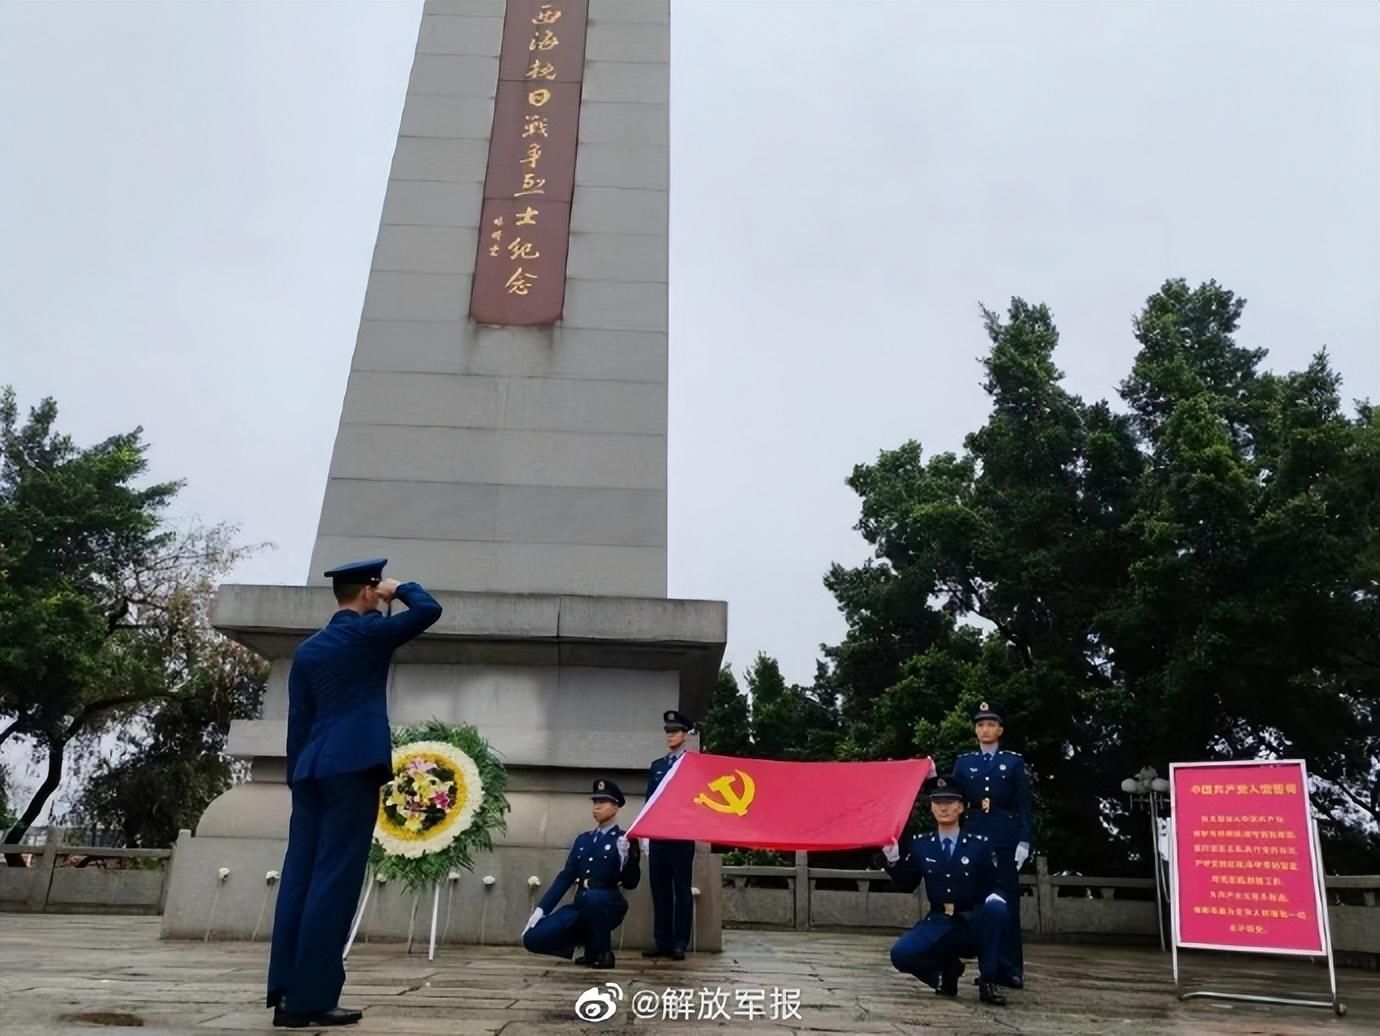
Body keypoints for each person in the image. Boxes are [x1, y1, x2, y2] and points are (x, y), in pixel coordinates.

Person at [266, 559, 442, 1029]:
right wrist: (400, 586)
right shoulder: (367, 636)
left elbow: (298, 719)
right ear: (367, 591)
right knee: (334, 881)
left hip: (309, 772)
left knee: (300, 877)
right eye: (376, 586)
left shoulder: (309, 650)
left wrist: (297, 776)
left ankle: (285, 993)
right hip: (351, 769)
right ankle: (312, 998)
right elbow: (428, 609)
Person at [880, 773, 1008, 1006]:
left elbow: (995, 883)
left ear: (961, 807)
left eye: (950, 802)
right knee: (901, 954)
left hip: (971, 919)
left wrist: (996, 898)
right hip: (939, 920)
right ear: (931, 808)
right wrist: (893, 860)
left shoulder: (979, 844)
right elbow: (906, 884)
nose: (943, 808)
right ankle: (945, 975)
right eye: (938, 802)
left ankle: (988, 980)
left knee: (996, 911)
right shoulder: (922, 845)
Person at [522, 779, 642, 969]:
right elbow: (565, 877)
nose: (597, 807)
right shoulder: (583, 840)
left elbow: (631, 882)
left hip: (609, 903)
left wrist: (627, 859)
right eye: (595, 802)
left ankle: (603, 953)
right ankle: (585, 947)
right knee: (532, 938)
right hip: (580, 905)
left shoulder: (624, 840)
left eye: (603, 802)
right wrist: (541, 910)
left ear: (616, 806)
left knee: (594, 899)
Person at [953, 701, 1033, 988]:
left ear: (1000, 729)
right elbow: (954, 803)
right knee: (981, 905)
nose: (985, 729)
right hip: (975, 839)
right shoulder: (964, 763)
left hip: (1005, 839)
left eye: (991, 724)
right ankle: (989, 967)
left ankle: (1010, 969)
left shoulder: (1013, 762)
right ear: (975, 730)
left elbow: (1024, 805)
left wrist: (1024, 840)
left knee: (1008, 905)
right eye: (980, 724)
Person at [641, 709, 696, 960]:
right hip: (658, 838)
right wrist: (644, 836)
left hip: (682, 838)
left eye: (675, 731)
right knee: (660, 890)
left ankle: (680, 942)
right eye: (667, 731)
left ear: (685, 734)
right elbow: (649, 803)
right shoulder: (657, 766)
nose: (670, 735)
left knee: (681, 892)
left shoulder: (693, 765)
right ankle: (661, 940)